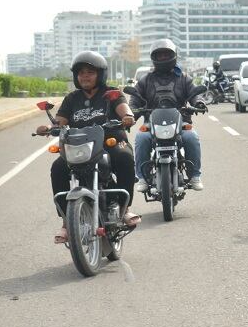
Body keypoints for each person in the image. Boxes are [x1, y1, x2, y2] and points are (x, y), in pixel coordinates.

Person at [35, 51, 140, 244]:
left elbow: (124, 109)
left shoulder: (111, 93)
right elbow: (60, 121)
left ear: (100, 74)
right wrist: (49, 128)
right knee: (58, 168)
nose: (85, 76)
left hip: (110, 143)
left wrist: (127, 117)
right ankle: (66, 222)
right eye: (81, 73)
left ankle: (125, 209)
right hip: (81, 146)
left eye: (90, 72)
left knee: (124, 157)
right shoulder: (72, 98)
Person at [132, 39, 206, 192]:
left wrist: (198, 103)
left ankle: (194, 176)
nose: (163, 58)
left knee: (191, 137)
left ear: (174, 56)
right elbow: (135, 99)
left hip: (181, 122)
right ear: (154, 58)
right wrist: (132, 110)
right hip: (151, 123)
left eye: (166, 55)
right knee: (141, 138)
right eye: (160, 55)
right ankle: (142, 177)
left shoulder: (184, 78)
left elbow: (194, 94)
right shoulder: (146, 80)